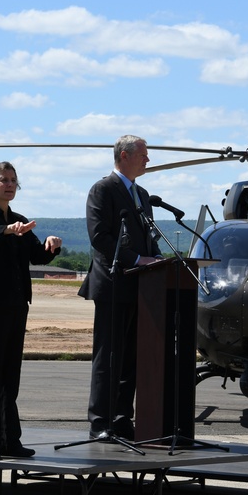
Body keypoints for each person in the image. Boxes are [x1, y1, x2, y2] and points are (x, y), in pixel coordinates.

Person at [0, 161, 62, 460]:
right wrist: (6, 231)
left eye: (13, 181)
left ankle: (9, 439)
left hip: (17, 302)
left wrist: (51, 246)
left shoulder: (20, 220)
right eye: (3, 180)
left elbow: (37, 257)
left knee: (11, 373)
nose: (9, 185)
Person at [78, 135, 162, 439]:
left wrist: (159, 260)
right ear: (124, 156)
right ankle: (100, 421)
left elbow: (149, 238)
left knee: (131, 359)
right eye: (143, 154)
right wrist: (139, 259)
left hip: (141, 288)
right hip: (113, 284)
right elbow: (100, 237)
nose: (147, 160)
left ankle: (123, 419)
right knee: (109, 357)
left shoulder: (142, 193)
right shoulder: (103, 189)